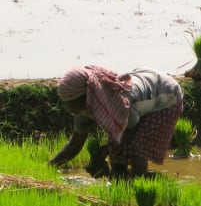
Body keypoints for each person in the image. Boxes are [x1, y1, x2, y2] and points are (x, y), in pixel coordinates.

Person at [49, 65, 184, 178]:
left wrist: (105, 151)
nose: (71, 109)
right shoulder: (83, 108)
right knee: (117, 165)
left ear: (87, 96)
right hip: (144, 90)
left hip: (166, 97)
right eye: (68, 104)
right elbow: (75, 143)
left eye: (73, 103)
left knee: (137, 150)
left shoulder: (118, 102)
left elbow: (129, 129)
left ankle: (143, 179)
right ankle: (123, 181)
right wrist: (49, 167)